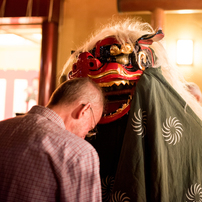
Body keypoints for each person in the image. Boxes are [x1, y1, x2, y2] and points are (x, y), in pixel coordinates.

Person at [0, 77, 105, 202]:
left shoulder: (3, 128)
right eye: (90, 128)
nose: (84, 136)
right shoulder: (80, 152)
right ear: (84, 110)